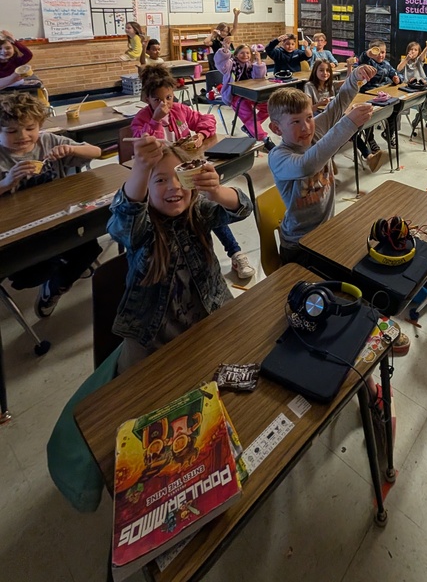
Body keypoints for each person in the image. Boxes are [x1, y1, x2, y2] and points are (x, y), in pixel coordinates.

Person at [107, 135, 253, 372]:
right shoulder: (143, 228)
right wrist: (141, 169)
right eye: (160, 180)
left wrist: (216, 190)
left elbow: (242, 208)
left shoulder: (198, 211)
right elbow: (124, 220)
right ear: (145, 189)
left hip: (210, 317)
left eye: (179, 177)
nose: (173, 186)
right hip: (154, 339)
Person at [131, 65, 255, 279]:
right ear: (147, 99)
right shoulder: (142, 120)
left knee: (205, 206)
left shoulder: (180, 109)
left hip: (186, 174)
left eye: (169, 97)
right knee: (191, 211)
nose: (165, 104)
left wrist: (200, 134)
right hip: (159, 180)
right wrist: (156, 120)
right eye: (158, 100)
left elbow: (207, 120)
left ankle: (234, 251)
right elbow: (143, 142)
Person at [0, 91, 102, 317]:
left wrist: (72, 149)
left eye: (30, 128)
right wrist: (6, 182)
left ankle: (55, 287)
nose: (23, 136)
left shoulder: (48, 141)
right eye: (11, 131)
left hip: (58, 218)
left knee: (89, 246)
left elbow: (96, 151)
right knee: (34, 271)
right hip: (18, 230)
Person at [267, 63, 376, 264]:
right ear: (276, 128)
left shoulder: (314, 130)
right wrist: (348, 124)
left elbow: (337, 105)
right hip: (299, 245)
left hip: (326, 231)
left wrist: (355, 79)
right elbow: (306, 165)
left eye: (309, 117)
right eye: (295, 122)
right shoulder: (278, 156)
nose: (306, 127)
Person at [214, 38, 270, 145]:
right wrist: (225, 49)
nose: (245, 55)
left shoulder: (250, 64)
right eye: (242, 53)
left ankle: (249, 125)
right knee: (248, 114)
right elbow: (221, 64)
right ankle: (264, 138)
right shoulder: (230, 64)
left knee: (268, 106)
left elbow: (258, 78)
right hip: (235, 95)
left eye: (248, 53)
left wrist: (259, 62)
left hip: (250, 93)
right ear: (235, 54)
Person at [359, 42, 403, 148]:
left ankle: (388, 134)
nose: (380, 55)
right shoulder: (368, 63)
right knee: (369, 115)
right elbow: (362, 59)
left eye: (383, 52)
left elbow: (397, 73)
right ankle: (370, 139)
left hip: (382, 96)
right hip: (368, 95)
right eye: (377, 53)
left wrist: (398, 79)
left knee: (395, 108)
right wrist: (368, 54)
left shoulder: (386, 64)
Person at [397, 39, 427, 132]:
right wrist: (407, 59)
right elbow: (398, 69)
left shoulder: (419, 61)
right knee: (398, 108)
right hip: (407, 88)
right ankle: (395, 130)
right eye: (411, 49)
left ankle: (417, 120)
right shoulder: (405, 61)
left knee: (426, 106)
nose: (413, 51)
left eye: (415, 50)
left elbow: (422, 56)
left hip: (419, 88)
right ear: (408, 51)